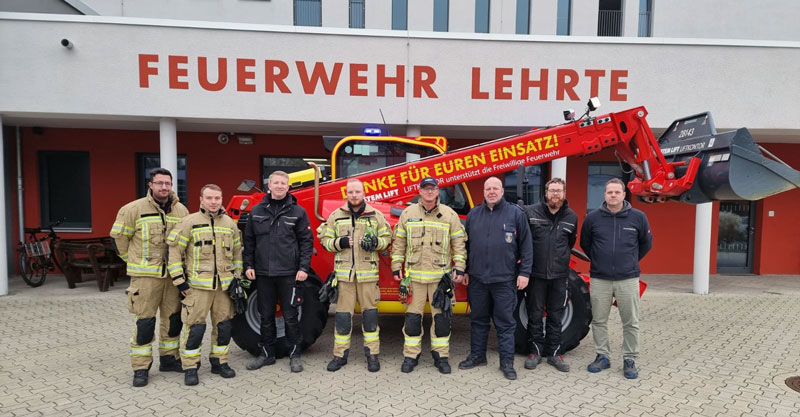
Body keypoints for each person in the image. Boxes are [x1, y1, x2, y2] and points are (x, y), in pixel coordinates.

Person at [111, 168, 189, 387]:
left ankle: (169, 359)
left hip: (172, 278)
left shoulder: (181, 211)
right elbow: (118, 240)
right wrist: (134, 262)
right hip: (145, 279)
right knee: (145, 322)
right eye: (160, 183)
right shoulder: (133, 209)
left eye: (168, 183)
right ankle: (141, 367)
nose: (164, 187)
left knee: (173, 321)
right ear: (150, 185)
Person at [166, 184, 243, 386]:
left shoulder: (229, 223)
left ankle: (220, 362)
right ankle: (190, 367)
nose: (214, 201)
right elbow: (174, 254)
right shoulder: (188, 222)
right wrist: (180, 282)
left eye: (217, 198)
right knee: (195, 329)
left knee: (224, 327)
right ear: (201, 199)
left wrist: (237, 278)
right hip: (197, 288)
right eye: (209, 198)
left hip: (224, 288)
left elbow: (237, 254)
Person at [458, 176, 532, 380]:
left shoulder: (515, 214)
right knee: (478, 319)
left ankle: (506, 362)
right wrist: (464, 270)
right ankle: (477, 355)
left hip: (505, 280)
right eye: (488, 188)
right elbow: (465, 246)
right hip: (477, 279)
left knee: (505, 322)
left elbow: (526, 246)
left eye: (495, 188)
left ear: (501, 191)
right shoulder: (474, 214)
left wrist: (525, 273)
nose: (491, 191)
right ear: (483, 192)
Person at [391, 177, 466, 374]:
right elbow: (399, 243)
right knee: (412, 319)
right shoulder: (408, 213)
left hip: (440, 279)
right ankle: (411, 355)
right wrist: (396, 265)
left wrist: (459, 267)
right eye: (426, 189)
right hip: (414, 278)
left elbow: (459, 244)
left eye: (432, 188)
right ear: (420, 191)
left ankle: (441, 356)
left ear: (437, 191)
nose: (429, 192)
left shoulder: (449, 214)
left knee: (441, 320)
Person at [580, 178, 652, 379]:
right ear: (604, 195)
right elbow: (586, 243)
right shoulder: (592, 218)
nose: (613, 195)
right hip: (600, 279)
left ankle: (629, 359)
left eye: (616, 192)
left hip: (627, 279)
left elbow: (646, 244)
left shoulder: (638, 217)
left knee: (630, 321)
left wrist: (629, 261)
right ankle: (603, 356)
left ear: (623, 194)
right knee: (599, 320)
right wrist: (600, 261)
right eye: (609, 192)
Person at [243, 171, 314, 373]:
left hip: (289, 274)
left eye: (284, 183)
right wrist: (248, 265)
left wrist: (303, 268)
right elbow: (249, 241)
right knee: (266, 315)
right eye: (276, 182)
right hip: (263, 274)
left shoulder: (298, 212)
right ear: (269, 185)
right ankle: (266, 354)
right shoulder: (256, 211)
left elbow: (306, 243)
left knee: (291, 316)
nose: (280, 186)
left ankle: (295, 355)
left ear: (288, 187)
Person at [319, 179, 391, 372]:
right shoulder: (336, 216)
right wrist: (340, 242)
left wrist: (375, 242)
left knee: (370, 316)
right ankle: (339, 355)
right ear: (346, 193)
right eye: (350, 192)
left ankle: (372, 355)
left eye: (357, 191)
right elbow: (324, 240)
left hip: (368, 275)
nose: (354, 195)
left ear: (363, 193)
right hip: (344, 277)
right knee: (342, 317)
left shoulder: (376, 216)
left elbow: (387, 239)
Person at [523, 178, 578, 372]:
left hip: (559, 276)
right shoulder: (532, 213)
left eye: (559, 191)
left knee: (556, 315)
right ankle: (535, 352)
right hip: (536, 275)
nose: (555, 194)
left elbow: (570, 243)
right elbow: (525, 241)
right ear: (545, 193)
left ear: (564, 193)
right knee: (535, 314)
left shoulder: (571, 217)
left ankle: (555, 354)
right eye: (552, 190)